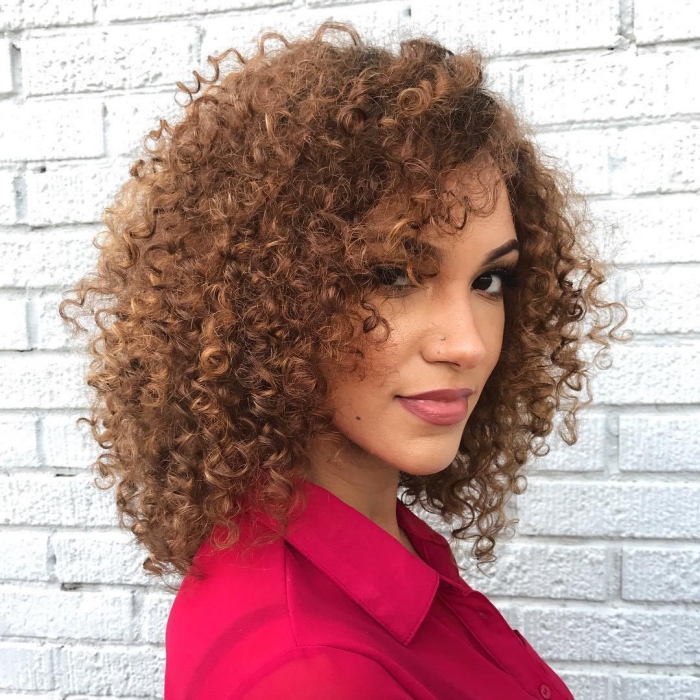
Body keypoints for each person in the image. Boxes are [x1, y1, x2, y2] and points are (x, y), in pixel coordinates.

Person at [59, 19, 630, 700]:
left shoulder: (377, 549)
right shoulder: (312, 672)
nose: (468, 344)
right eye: (393, 275)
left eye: (488, 280)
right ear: (268, 296)